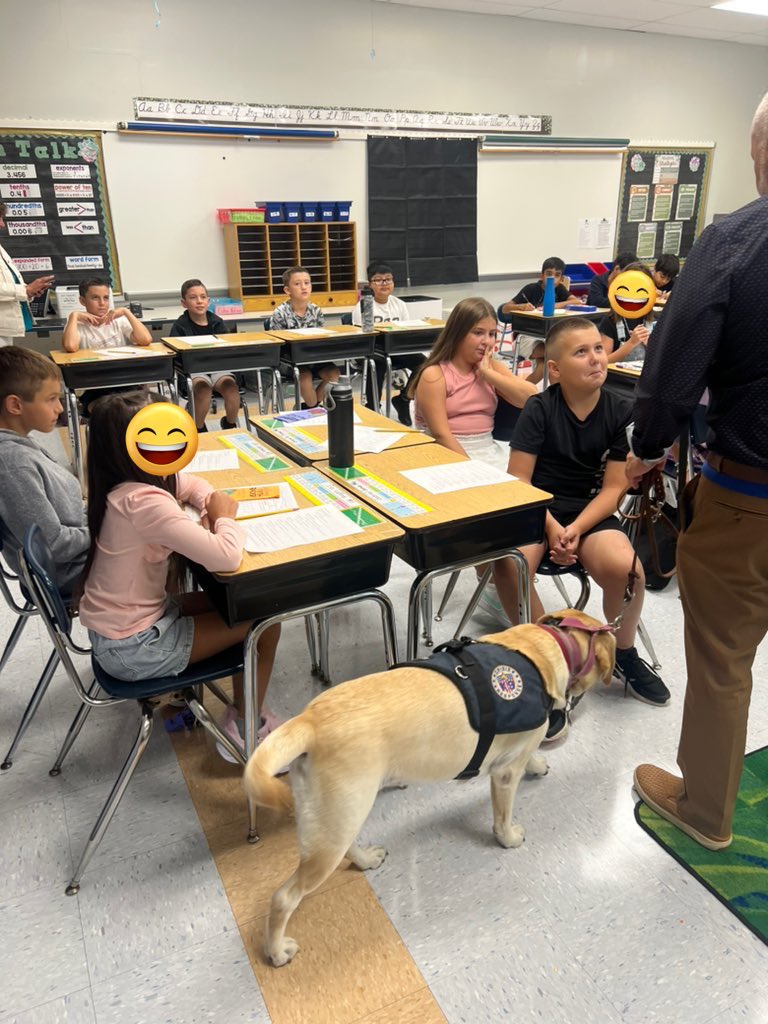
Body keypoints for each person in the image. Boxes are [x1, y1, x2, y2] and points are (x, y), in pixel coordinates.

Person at [629, 92, 768, 852]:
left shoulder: (734, 242)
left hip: (749, 499)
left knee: (723, 658)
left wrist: (644, 444)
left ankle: (706, 810)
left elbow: (671, 378)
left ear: (758, 155)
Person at [77, 392, 282, 762]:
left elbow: (190, 484)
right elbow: (227, 555)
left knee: (230, 604)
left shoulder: (121, 485)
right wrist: (223, 517)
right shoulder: (146, 503)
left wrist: (209, 503)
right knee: (264, 619)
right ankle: (247, 728)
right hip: (134, 647)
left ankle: (179, 704)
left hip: (121, 632)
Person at [507, 316, 670, 738]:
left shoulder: (621, 409)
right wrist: (554, 528)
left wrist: (575, 528)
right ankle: (551, 660)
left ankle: (622, 651)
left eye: (599, 348)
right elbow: (519, 483)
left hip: (589, 511)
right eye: (582, 352)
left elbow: (616, 486)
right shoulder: (539, 409)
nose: (596, 358)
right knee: (511, 564)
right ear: (556, 369)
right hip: (535, 509)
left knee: (629, 569)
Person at [410, 297, 537, 625]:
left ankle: (501, 581)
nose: (487, 342)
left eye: (493, 334)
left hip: (489, 448)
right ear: (458, 333)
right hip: (446, 457)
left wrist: (488, 374)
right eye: (478, 333)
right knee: (495, 512)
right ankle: (499, 581)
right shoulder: (435, 375)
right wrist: (473, 474)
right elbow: (441, 435)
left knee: (530, 497)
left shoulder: (492, 367)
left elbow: (530, 400)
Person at [0, 347, 88, 592]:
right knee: (170, 551)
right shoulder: (12, 463)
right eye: (51, 399)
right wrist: (106, 530)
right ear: (15, 405)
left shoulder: (19, 444)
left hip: (78, 552)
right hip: (71, 571)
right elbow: (53, 544)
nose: (60, 408)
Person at [61, 277, 153, 414]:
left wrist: (126, 313)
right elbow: (70, 346)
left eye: (106, 298)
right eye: (95, 298)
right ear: (82, 301)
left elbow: (145, 339)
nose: (102, 303)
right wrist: (73, 316)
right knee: (114, 411)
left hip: (124, 381)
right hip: (96, 386)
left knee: (145, 407)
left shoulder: (118, 321)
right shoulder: (76, 325)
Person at [353, 261, 424, 425]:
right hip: (372, 350)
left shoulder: (399, 304)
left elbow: (406, 331)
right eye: (378, 280)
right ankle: (373, 408)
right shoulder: (365, 304)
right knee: (377, 363)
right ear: (370, 284)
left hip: (396, 348)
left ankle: (404, 399)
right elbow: (363, 336)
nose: (384, 284)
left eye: (388, 279)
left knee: (424, 363)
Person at [497, 257, 585, 385]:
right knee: (557, 357)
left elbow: (577, 301)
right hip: (525, 337)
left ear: (561, 279)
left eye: (557, 275)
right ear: (542, 276)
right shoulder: (531, 289)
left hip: (547, 337)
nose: (552, 278)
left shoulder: (560, 289)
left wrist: (556, 305)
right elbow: (505, 309)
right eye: (549, 274)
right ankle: (524, 394)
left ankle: (526, 393)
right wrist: (521, 306)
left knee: (546, 365)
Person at [169, 278, 242, 432]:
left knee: (231, 388)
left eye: (203, 297)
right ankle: (199, 428)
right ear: (184, 303)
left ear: (208, 301)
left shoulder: (217, 322)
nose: (199, 301)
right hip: (193, 371)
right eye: (193, 298)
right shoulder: (179, 326)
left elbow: (228, 348)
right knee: (203, 389)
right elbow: (175, 356)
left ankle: (229, 424)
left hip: (218, 368)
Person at [270, 266, 339, 408]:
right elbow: (277, 346)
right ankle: (313, 407)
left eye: (307, 283)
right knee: (305, 377)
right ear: (287, 290)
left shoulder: (316, 311)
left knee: (334, 374)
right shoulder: (280, 313)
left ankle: (310, 406)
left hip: (313, 357)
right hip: (289, 360)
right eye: (297, 284)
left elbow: (321, 336)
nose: (304, 287)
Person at [0, 201, 55, 346]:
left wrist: (29, 292)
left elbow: (9, 280)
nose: (2, 225)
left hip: (5, 327)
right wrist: (25, 290)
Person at [598, 262, 656, 364]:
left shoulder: (656, 320)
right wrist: (631, 343)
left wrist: (651, 346)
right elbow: (603, 361)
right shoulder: (610, 321)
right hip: (619, 378)